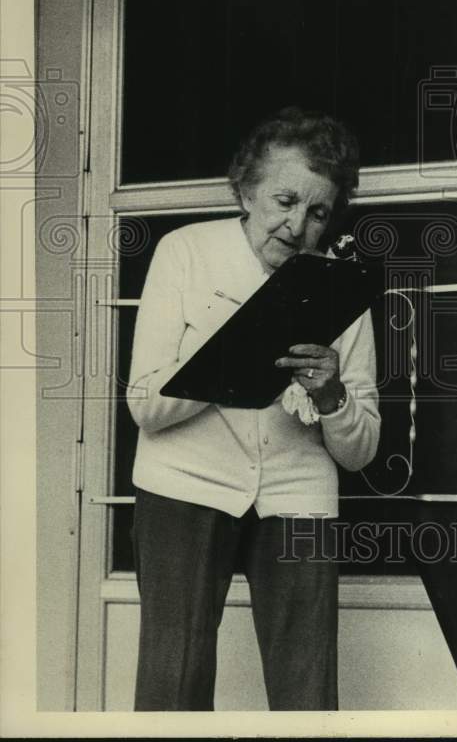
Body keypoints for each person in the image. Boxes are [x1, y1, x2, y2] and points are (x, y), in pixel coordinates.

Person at [126, 106, 380, 711]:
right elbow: (143, 405)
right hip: (182, 487)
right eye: (284, 200)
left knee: (307, 691)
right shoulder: (184, 252)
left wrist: (331, 394)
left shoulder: (342, 291)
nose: (298, 225)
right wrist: (239, 355)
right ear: (244, 189)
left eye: (318, 212)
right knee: (173, 683)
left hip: (298, 495)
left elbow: (361, 450)